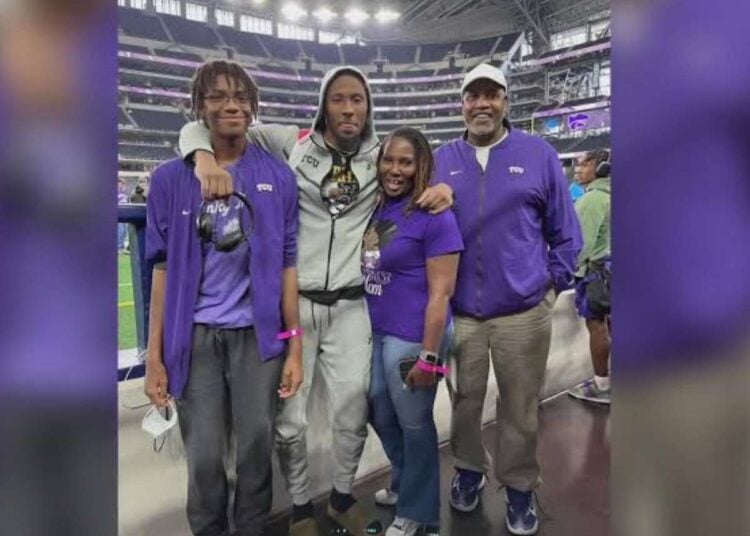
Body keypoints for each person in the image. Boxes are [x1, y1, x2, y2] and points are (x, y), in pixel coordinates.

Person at [179, 64, 454, 536]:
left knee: (352, 408)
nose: (348, 108)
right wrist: (201, 157)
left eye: (358, 100)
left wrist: (446, 187)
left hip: (352, 305)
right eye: (338, 98)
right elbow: (199, 125)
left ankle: (343, 497)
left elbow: (422, 165)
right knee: (289, 421)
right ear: (323, 102)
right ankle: (303, 508)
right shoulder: (291, 140)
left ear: (369, 108)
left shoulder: (380, 153)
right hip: (295, 303)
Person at [144, 60, 303, 536]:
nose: (230, 104)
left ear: (253, 107)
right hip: (195, 338)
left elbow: (288, 265)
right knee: (205, 455)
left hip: (258, 339)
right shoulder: (171, 179)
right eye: (216, 96)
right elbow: (162, 270)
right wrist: (154, 357)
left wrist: (295, 345)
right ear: (199, 108)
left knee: (256, 447)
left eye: (240, 96)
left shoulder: (279, 176)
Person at [432, 63, 583, 535]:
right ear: (462, 104)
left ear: (505, 101)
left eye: (491, 95)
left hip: (523, 311)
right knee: (464, 405)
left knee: (519, 407)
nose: (482, 104)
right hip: (462, 313)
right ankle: (469, 473)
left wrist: (550, 286)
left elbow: (565, 232)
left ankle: (519, 487)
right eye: (473, 96)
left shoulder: (537, 153)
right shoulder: (440, 159)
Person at [363, 127, 463, 536]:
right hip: (380, 332)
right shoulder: (377, 207)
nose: (395, 169)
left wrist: (430, 357)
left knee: (416, 424)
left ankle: (420, 515)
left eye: (406, 161)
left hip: (417, 335)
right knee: (377, 409)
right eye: (389, 159)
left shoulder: (436, 216)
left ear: (421, 165)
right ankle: (407, 484)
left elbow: (441, 294)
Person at [567, 149, 612, 404]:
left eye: (584, 164)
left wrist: (566, 272)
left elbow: (579, 244)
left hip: (596, 272)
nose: (578, 169)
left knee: (596, 326)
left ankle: (601, 384)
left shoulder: (594, 198)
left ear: (601, 167)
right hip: (611, 268)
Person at [117, 178, 129, 252]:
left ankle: (121, 246)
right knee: (120, 230)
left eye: (123, 184)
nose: (121, 186)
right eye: (120, 184)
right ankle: (119, 246)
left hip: (125, 214)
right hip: (119, 214)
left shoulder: (123, 194)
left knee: (125, 230)